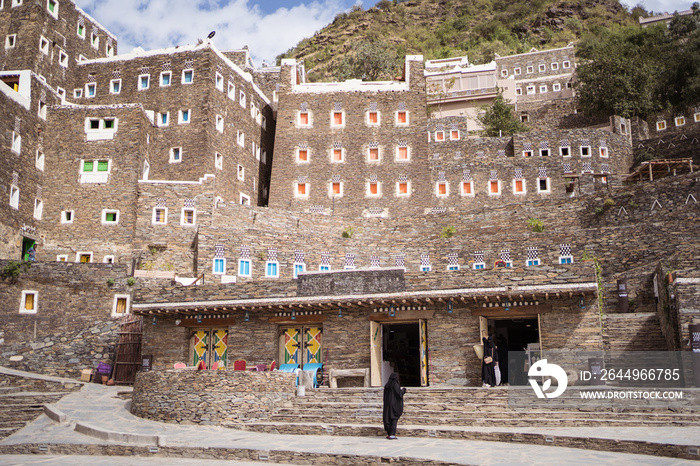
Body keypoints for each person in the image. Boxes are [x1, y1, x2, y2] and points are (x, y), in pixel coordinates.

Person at [383, 372, 406, 439]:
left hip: (388, 406)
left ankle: (389, 434)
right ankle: (392, 434)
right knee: (394, 419)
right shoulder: (395, 385)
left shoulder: (387, 385)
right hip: (394, 406)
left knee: (388, 419)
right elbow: (399, 394)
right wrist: (403, 390)